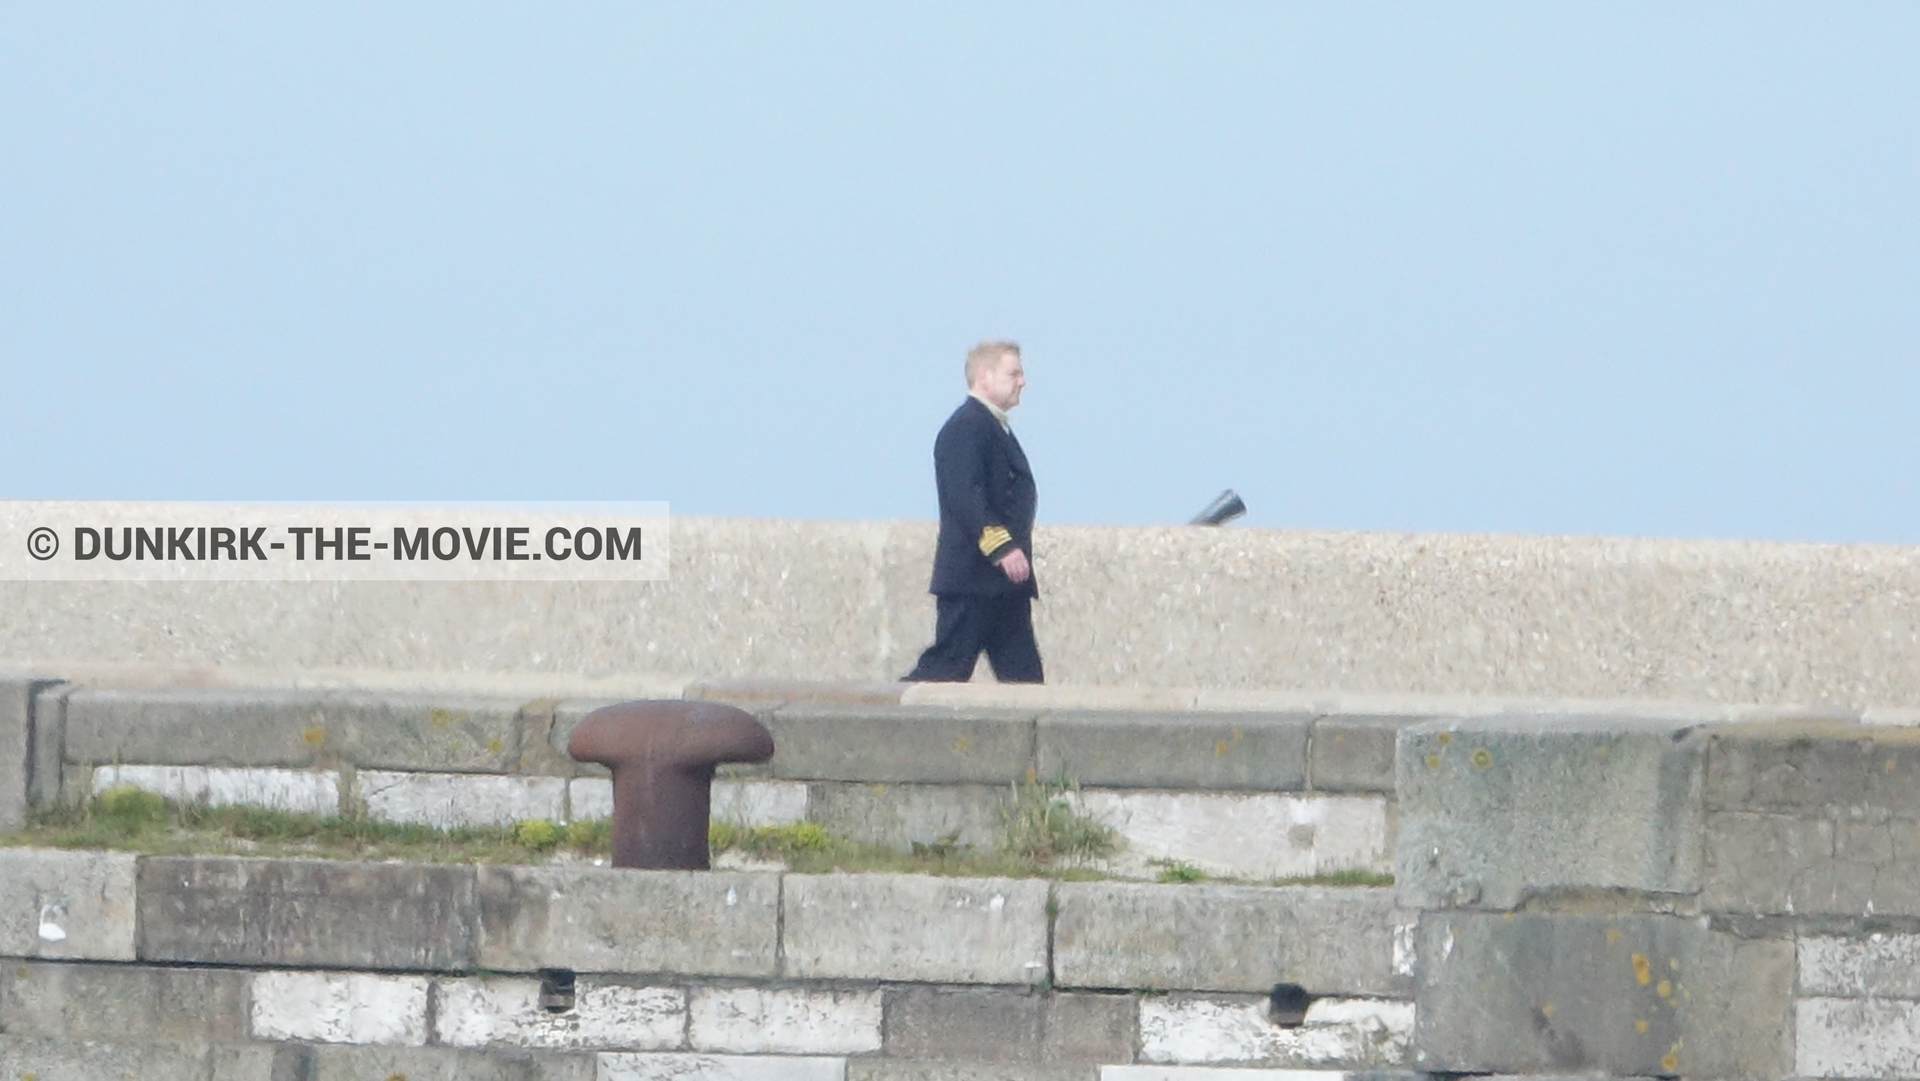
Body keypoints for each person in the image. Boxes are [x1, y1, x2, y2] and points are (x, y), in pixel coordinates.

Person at [904, 341, 1044, 683]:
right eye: (1014, 373)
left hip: (1002, 587)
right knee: (945, 669)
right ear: (984, 377)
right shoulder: (966, 427)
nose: (1022, 381)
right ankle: (883, 723)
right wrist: (1003, 549)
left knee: (1025, 682)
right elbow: (967, 498)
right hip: (973, 580)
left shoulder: (994, 428)